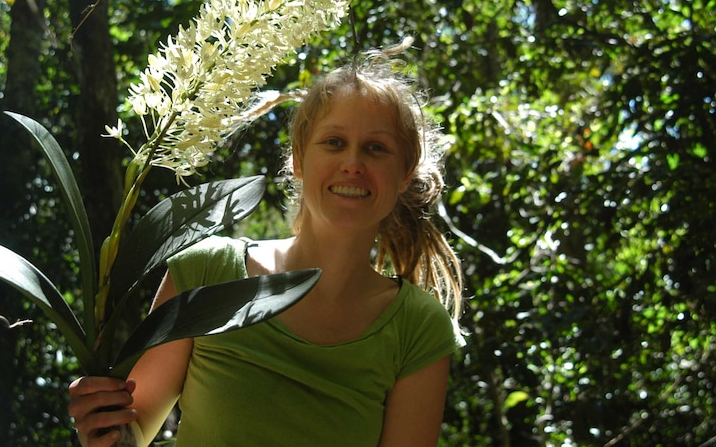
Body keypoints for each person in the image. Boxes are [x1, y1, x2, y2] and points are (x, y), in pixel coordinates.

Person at [67, 39, 464, 447]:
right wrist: (101, 426)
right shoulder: (207, 272)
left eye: (376, 148)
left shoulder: (417, 327)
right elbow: (131, 432)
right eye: (333, 142)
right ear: (297, 159)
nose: (352, 163)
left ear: (404, 174)